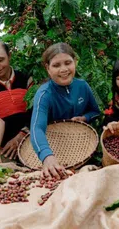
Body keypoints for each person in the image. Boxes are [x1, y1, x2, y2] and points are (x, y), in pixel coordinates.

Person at [30, 42, 101, 178]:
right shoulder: (44, 94)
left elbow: (95, 112)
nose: (63, 69)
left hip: (80, 146)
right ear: (47, 68)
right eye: (56, 65)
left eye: (68, 63)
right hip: (54, 147)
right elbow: (36, 128)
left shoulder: (83, 86)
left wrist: (85, 118)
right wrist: (47, 156)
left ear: (75, 62)